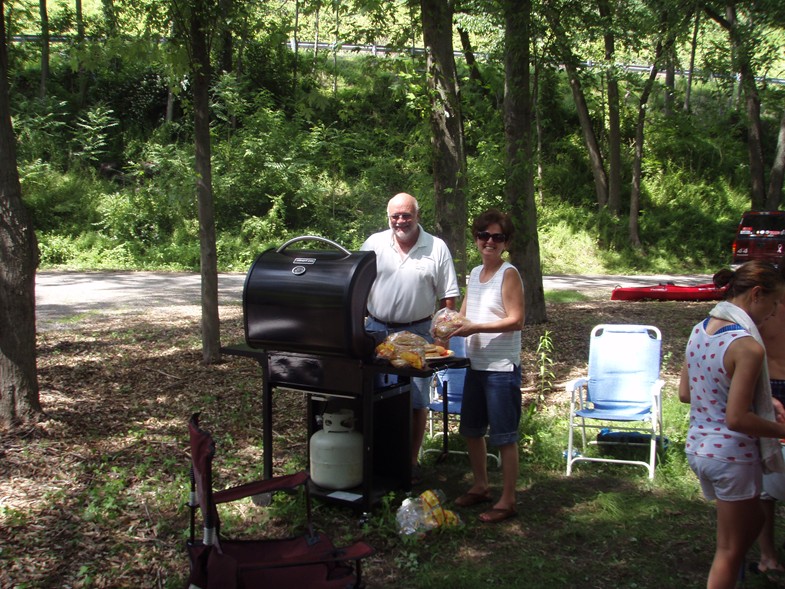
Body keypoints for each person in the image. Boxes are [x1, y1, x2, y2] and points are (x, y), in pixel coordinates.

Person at [678, 260, 785, 589]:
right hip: (731, 456)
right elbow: (737, 418)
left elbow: (685, 392)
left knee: (751, 522)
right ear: (756, 294)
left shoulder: (699, 330)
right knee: (729, 551)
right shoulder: (748, 346)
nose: (775, 311)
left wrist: (765, 402)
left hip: (699, 448)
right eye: (774, 302)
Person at [362, 192, 460, 484]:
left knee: (416, 400)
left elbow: (449, 298)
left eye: (406, 215)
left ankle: (410, 462)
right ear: (388, 217)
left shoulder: (436, 247)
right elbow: (355, 286)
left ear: (418, 215)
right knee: (373, 395)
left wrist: (442, 340)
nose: (400, 221)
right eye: (395, 216)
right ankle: (376, 458)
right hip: (376, 330)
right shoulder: (373, 244)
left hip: (419, 333)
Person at [448, 209, 525, 523]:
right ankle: (481, 486)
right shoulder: (475, 274)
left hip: (501, 368)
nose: (489, 241)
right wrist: (442, 326)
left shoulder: (509, 274)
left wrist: (474, 327)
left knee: (504, 436)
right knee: (471, 430)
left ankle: (508, 500)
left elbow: (516, 320)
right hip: (475, 364)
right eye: (483, 235)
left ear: (505, 243)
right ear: (476, 239)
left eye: (497, 237)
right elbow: (463, 316)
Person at [751, 295, 785, 576]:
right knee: (767, 473)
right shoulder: (768, 310)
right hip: (771, 388)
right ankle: (767, 555)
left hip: (771, 386)